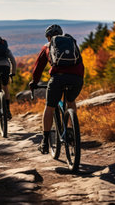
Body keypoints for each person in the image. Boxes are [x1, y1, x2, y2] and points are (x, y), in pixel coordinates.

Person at [29, 24, 84, 154]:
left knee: (49, 107)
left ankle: (45, 141)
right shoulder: (71, 43)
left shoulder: (47, 47)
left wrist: (34, 82)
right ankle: (72, 129)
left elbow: (38, 68)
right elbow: (80, 63)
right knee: (70, 101)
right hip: (77, 79)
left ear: (49, 37)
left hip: (58, 79)